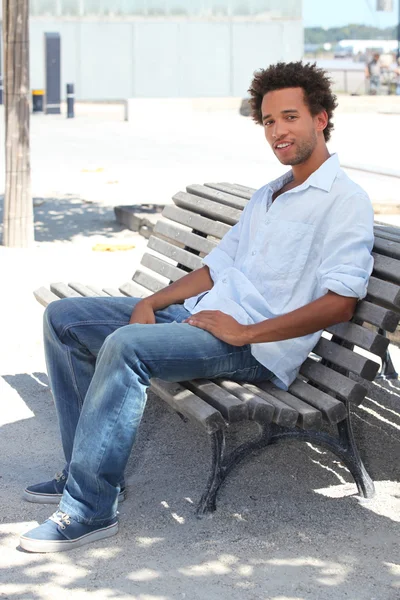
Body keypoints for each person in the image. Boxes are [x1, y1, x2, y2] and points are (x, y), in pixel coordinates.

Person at [20, 61, 374, 553]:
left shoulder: (344, 200)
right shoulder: (270, 193)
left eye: (289, 117)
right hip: (204, 318)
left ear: (321, 118)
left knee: (126, 348)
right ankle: (85, 471)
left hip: (255, 346)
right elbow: (217, 266)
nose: (277, 131)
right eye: (269, 122)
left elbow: (341, 303)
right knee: (64, 320)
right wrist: (152, 299)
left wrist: (246, 333)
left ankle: (89, 509)